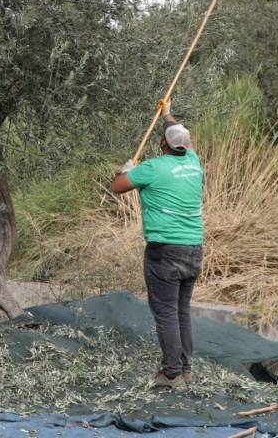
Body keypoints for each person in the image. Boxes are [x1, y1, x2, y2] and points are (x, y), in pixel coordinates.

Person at [110, 100, 204, 388]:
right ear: (186, 145)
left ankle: (171, 374)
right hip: (193, 249)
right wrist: (166, 113)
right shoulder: (193, 162)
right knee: (181, 311)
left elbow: (117, 187)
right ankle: (185, 370)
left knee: (165, 313)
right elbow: (176, 133)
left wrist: (126, 170)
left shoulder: (151, 169)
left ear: (162, 144)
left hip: (165, 253)